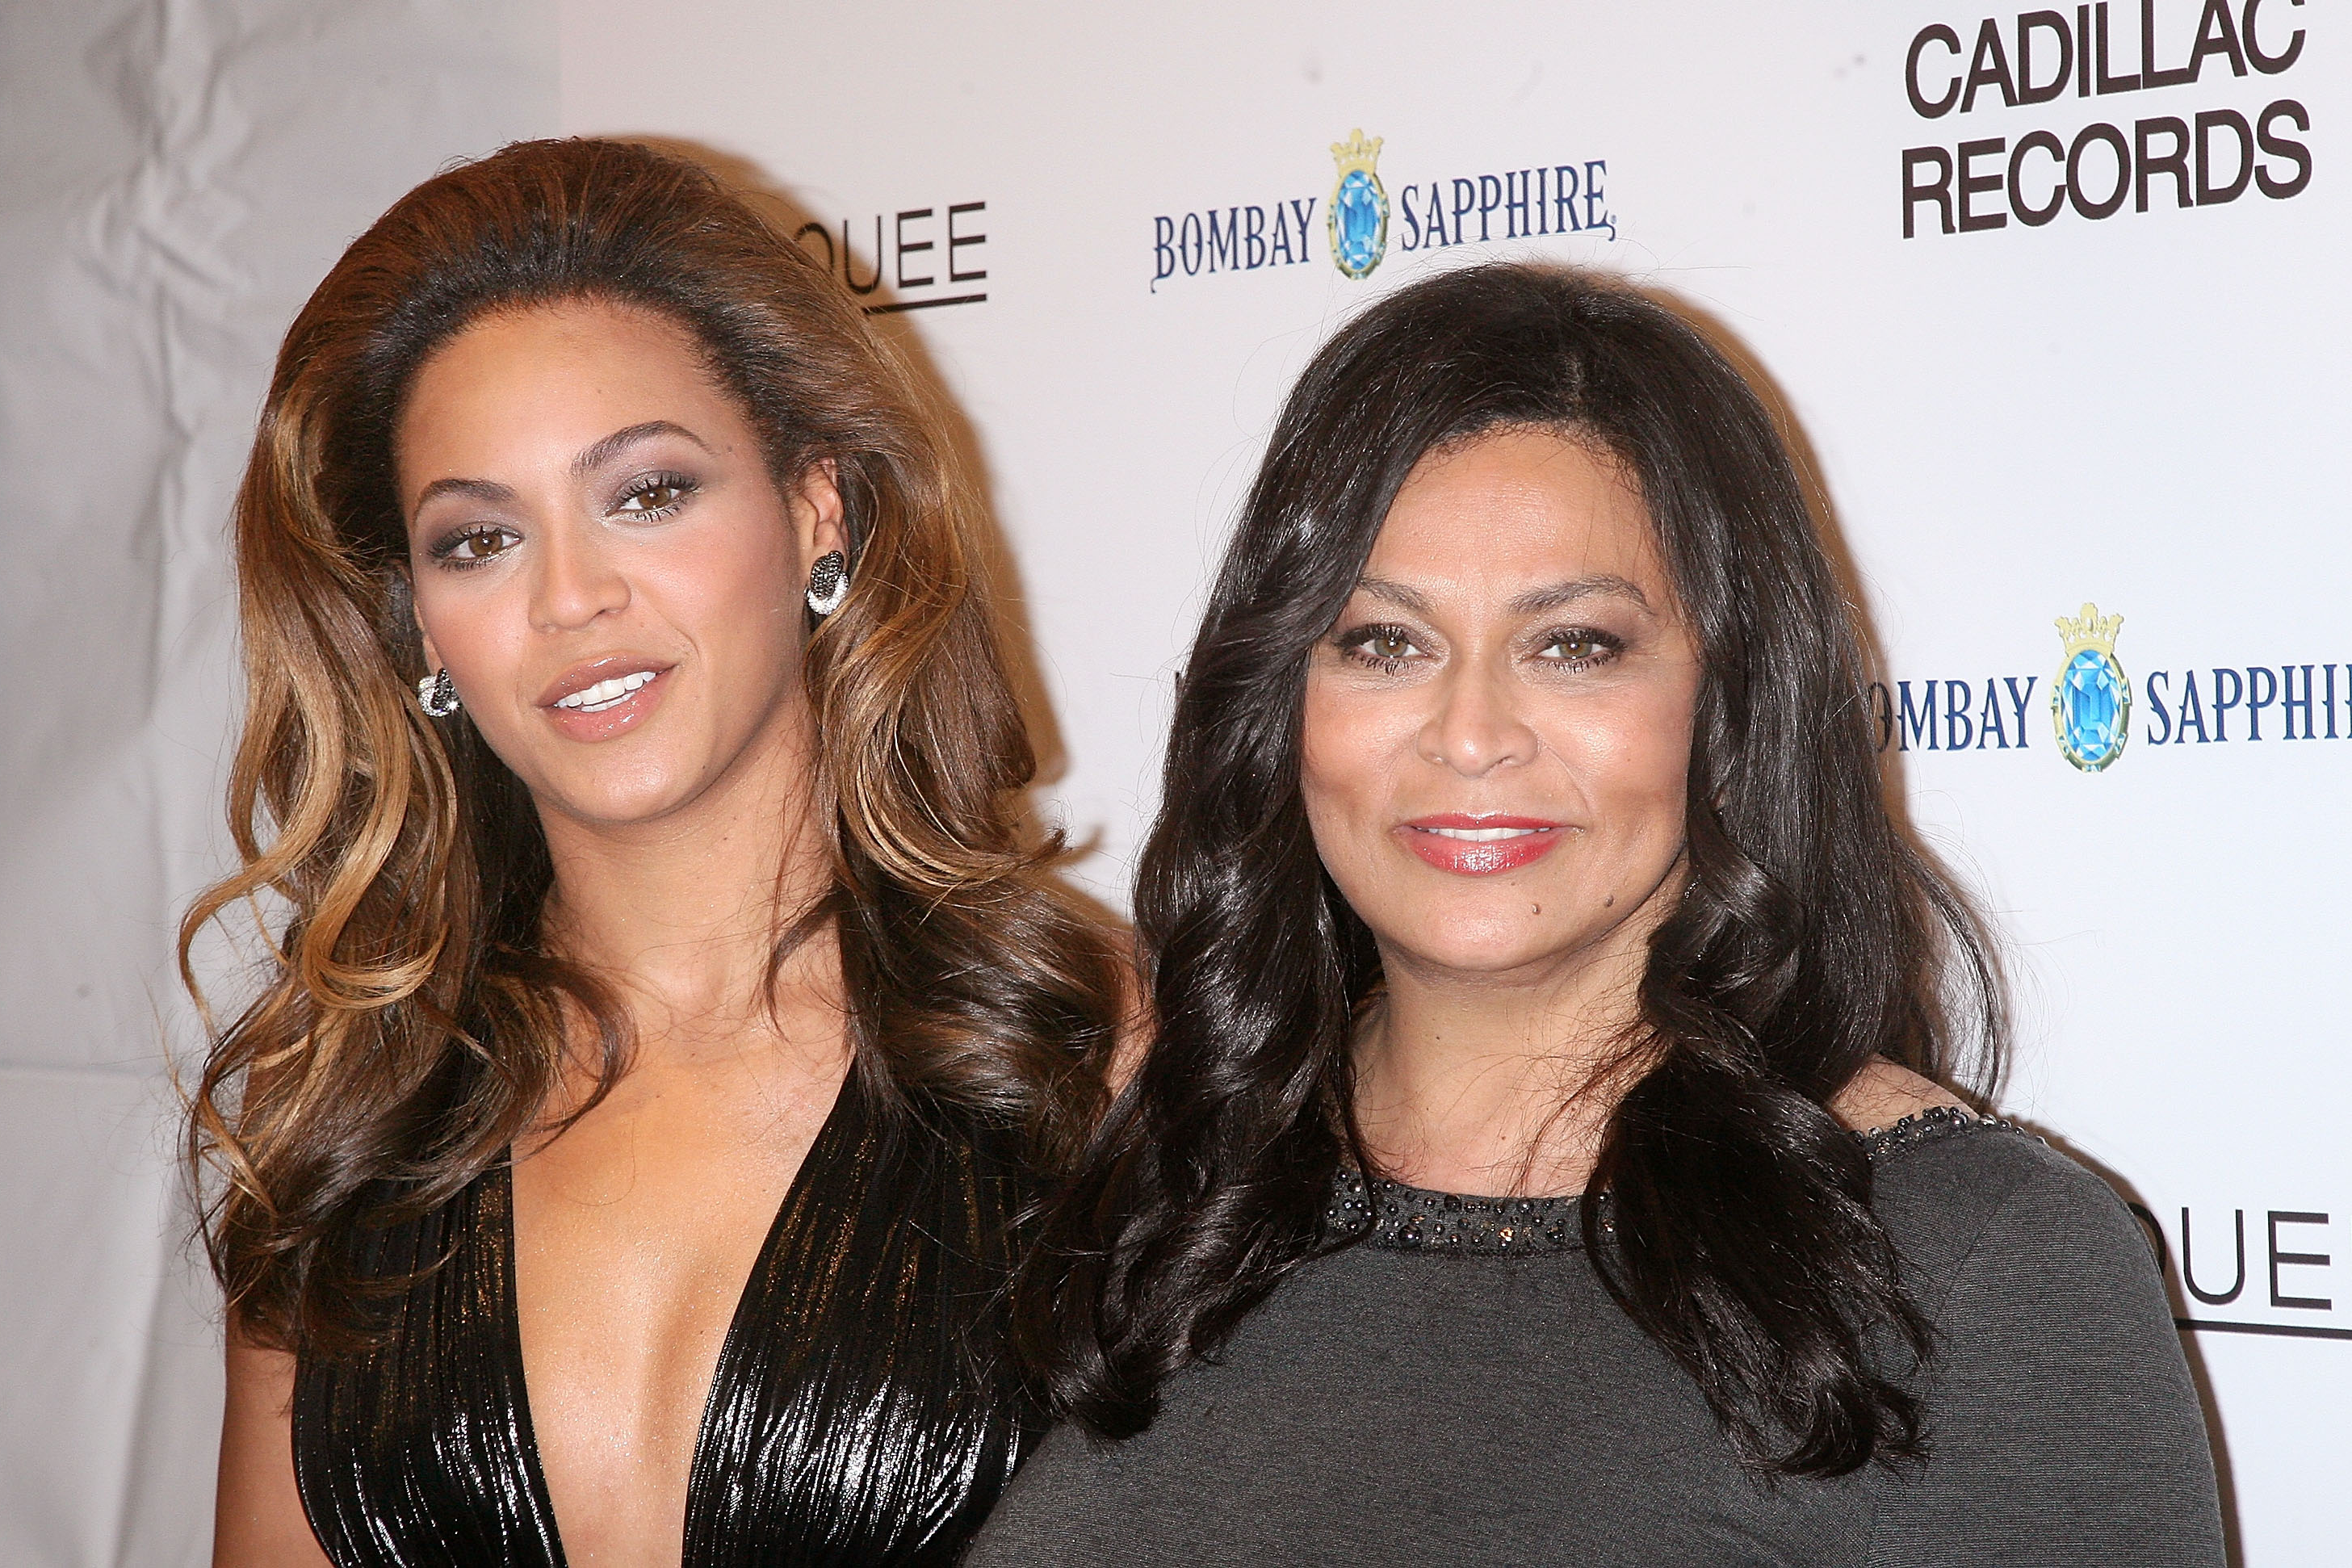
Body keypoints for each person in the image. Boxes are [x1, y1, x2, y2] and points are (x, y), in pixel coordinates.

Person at [975, 263, 2225, 1566]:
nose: (1468, 735)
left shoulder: (1987, 1267)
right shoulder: (1160, 1184)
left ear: (1731, 700)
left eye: (1574, 644)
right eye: (1381, 642)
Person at [186, 138, 1121, 1566]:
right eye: (479, 539)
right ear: (419, 625)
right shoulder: (352, 1096)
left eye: (648, 493)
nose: (572, 597)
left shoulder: (1092, 1050)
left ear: (818, 508)